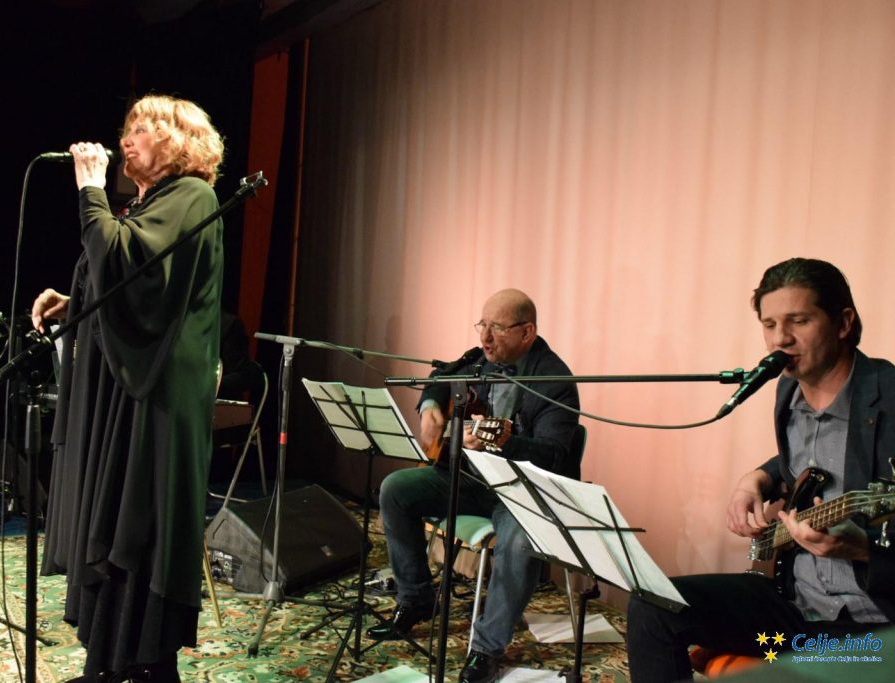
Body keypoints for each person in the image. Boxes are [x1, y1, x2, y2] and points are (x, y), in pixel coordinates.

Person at [31, 94, 225, 683]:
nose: (124, 141)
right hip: (129, 392)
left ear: (176, 141)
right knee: (115, 512)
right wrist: (76, 303)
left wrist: (90, 190)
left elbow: (136, 276)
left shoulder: (192, 196)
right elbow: (125, 284)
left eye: (141, 129)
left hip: (156, 397)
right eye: (127, 129)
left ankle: (141, 668)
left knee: (137, 524)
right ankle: (110, 666)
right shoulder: (151, 203)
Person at [626, 258, 895, 681]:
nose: (780, 339)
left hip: (872, 628)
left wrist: (862, 550)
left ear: (843, 323)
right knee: (653, 605)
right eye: (769, 325)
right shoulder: (787, 390)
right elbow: (806, 461)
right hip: (795, 606)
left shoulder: (889, 398)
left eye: (799, 321)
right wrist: (758, 477)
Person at [368, 288, 581, 683]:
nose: (485, 337)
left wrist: (503, 441)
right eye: (482, 325)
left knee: (518, 540)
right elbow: (440, 377)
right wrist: (431, 406)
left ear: (526, 332)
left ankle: (486, 648)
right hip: (471, 479)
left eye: (496, 328)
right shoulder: (479, 360)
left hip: (521, 492)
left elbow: (554, 455)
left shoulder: (555, 381)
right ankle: (417, 598)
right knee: (395, 489)